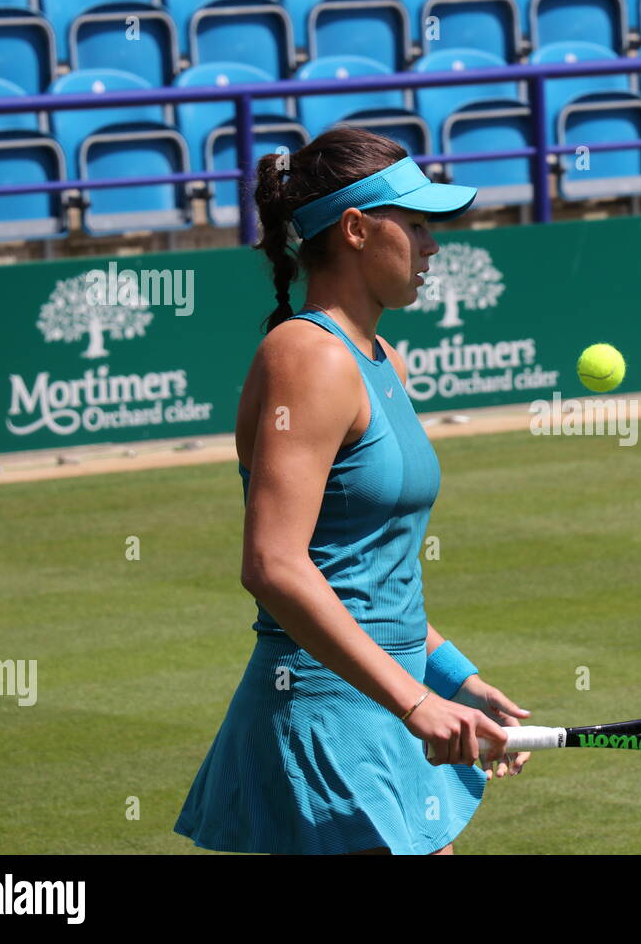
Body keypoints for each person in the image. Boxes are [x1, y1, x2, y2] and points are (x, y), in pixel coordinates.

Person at [174, 128, 530, 855]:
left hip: (385, 705)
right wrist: (413, 700)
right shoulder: (305, 356)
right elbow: (273, 565)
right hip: (328, 717)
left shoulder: (382, 360)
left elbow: (367, 570)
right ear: (358, 229)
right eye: (419, 225)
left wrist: (455, 678)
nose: (433, 247)